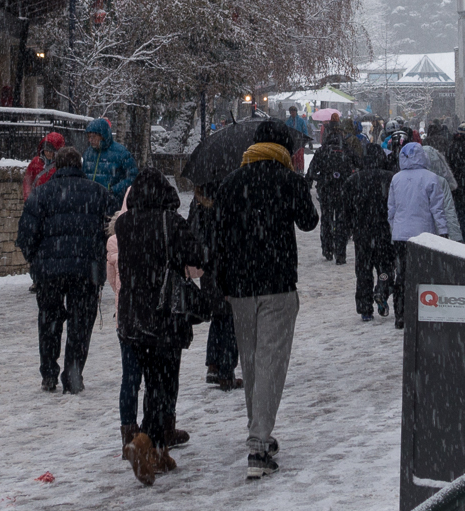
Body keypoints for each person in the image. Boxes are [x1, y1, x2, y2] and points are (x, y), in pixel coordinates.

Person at [212, 129, 318, 481]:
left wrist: (223, 283)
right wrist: (296, 186)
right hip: (277, 282)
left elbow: (219, 237)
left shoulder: (230, 182)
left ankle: (258, 430)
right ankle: (258, 444)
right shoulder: (287, 179)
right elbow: (309, 222)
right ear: (284, 149)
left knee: (252, 360)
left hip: (240, 286)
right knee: (272, 360)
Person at [113, 168, 206, 484]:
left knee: (149, 381)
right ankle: (144, 442)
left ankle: (158, 451)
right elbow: (197, 256)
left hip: (132, 315)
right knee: (163, 386)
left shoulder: (124, 224)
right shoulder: (171, 223)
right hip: (164, 315)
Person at [17, 145, 108, 393]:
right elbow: (109, 232)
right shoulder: (98, 193)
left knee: (49, 321)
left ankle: (49, 372)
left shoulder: (41, 194)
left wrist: (35, 261)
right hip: (85, 270)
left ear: (56, 166)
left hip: (49, 271)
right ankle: (73, 374)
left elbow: (25, 234)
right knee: (80, 324)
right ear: (80, 166)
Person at [385, 141, 458, 329]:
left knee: (402, 274)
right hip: (424, 234)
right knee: (424, 275)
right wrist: (443, 232)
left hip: (401, 235)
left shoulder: (396, 179)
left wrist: (395, 229)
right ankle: (423, 311)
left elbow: (391, 209)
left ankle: (400, 314)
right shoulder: (431, 178)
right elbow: (437, 210)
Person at [187, 181, 241, 389]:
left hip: (207, 264)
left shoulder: (198, 201)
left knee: (218, 314)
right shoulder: (228, 196)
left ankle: (213, 365)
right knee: (230, 316)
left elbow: (192, 229)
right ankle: (226, 370)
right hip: (227, 262)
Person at [345, 140, 397, 321]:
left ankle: (365, 308)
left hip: (362, 232)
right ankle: (382, 288)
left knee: (364, 270)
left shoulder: (353, 180)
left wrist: (348, 229)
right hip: (384, 230)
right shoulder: (390, 178)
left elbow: (346, 209)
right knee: (385, 266)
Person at [304, 118, 356, 264]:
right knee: (341, 220)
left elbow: (311, 171)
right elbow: (359, 163)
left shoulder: (322, 151)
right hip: (343, 190)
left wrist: (316, 180)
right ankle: (340, 253)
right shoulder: (346, 149)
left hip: (326, 189)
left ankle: (327, 249)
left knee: (326, 219)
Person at [83, 117, 138, 211]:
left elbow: (133, 177)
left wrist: (113, 190)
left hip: (113, 205)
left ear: (103, 135)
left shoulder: (121, 152)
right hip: (91, 205)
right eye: (89, 137)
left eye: (93, 137)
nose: (90, 140)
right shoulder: (88, 153)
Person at [23, 131, 68, 200]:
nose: (48, 153)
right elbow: (28, 182)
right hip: (37, 201)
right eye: (46, 150)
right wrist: (28, 198)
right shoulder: (35, 162)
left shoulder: (62, 165)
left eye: (51, 151)